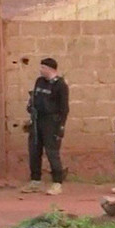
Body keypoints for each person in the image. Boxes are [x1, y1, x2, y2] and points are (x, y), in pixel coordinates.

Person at [22, 57, 69, 196]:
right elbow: (34, 98)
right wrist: (31, 108)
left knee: (52, 152)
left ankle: (57, 183)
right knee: (34, 150)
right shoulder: (39, 81)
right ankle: (35, 180)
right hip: (37, 120)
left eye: (43, 67)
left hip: (52, 122)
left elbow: (64, 108)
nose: (40, 70)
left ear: (50, 69)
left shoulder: (60, 85)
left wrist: (61, 126)